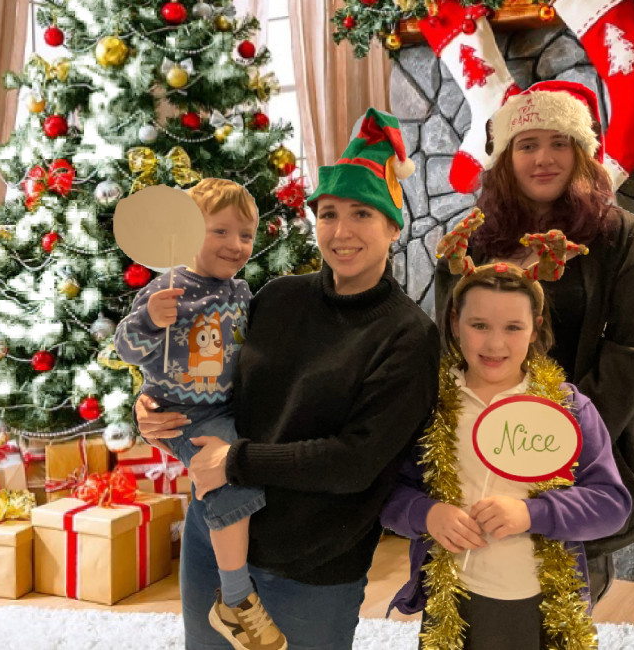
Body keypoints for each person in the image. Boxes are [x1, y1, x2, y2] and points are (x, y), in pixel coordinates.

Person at [134, 108, 439, 650]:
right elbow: (206, 367)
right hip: (217, 530)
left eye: (362, 214)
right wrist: (151, 403)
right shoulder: (275, 298)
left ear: (394, 224)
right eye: (328, 214)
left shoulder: (408, 336)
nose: (341, 232)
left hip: (311, 563)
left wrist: (235, 459)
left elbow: (355, 462)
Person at [434, 80, 634, 605]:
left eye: (559, 142)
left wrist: (564, 438)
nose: (544, 158)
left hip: (580, 447)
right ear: (504, 156)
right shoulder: (470, 236)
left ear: (581, 152)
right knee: (478, 597)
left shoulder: (619, 236)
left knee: (564, 609)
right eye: (527, 144)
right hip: (477, 444)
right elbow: (446, 343)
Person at [381, 212, 631, 649]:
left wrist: (532, 514)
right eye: (479, 326)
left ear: (535, 328)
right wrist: (426, 514)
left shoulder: (568, 409)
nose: (495, 345)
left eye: (512, 327)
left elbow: (612, 504)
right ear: (456, 323)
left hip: (540, 602)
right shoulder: (427, 405)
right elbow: (386, 492)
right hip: (451, 603)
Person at [114, 178, 286, 650]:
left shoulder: (240, 292)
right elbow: (127, 348)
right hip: (184, 413)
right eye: (220, 232)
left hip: (227, 406)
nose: (236, 245)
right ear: (188, 231)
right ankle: (235, 598)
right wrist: (150, 318)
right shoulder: (167, 289)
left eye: (246, 235)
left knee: (240, 471)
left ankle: (235, 590)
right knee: (228, 480)